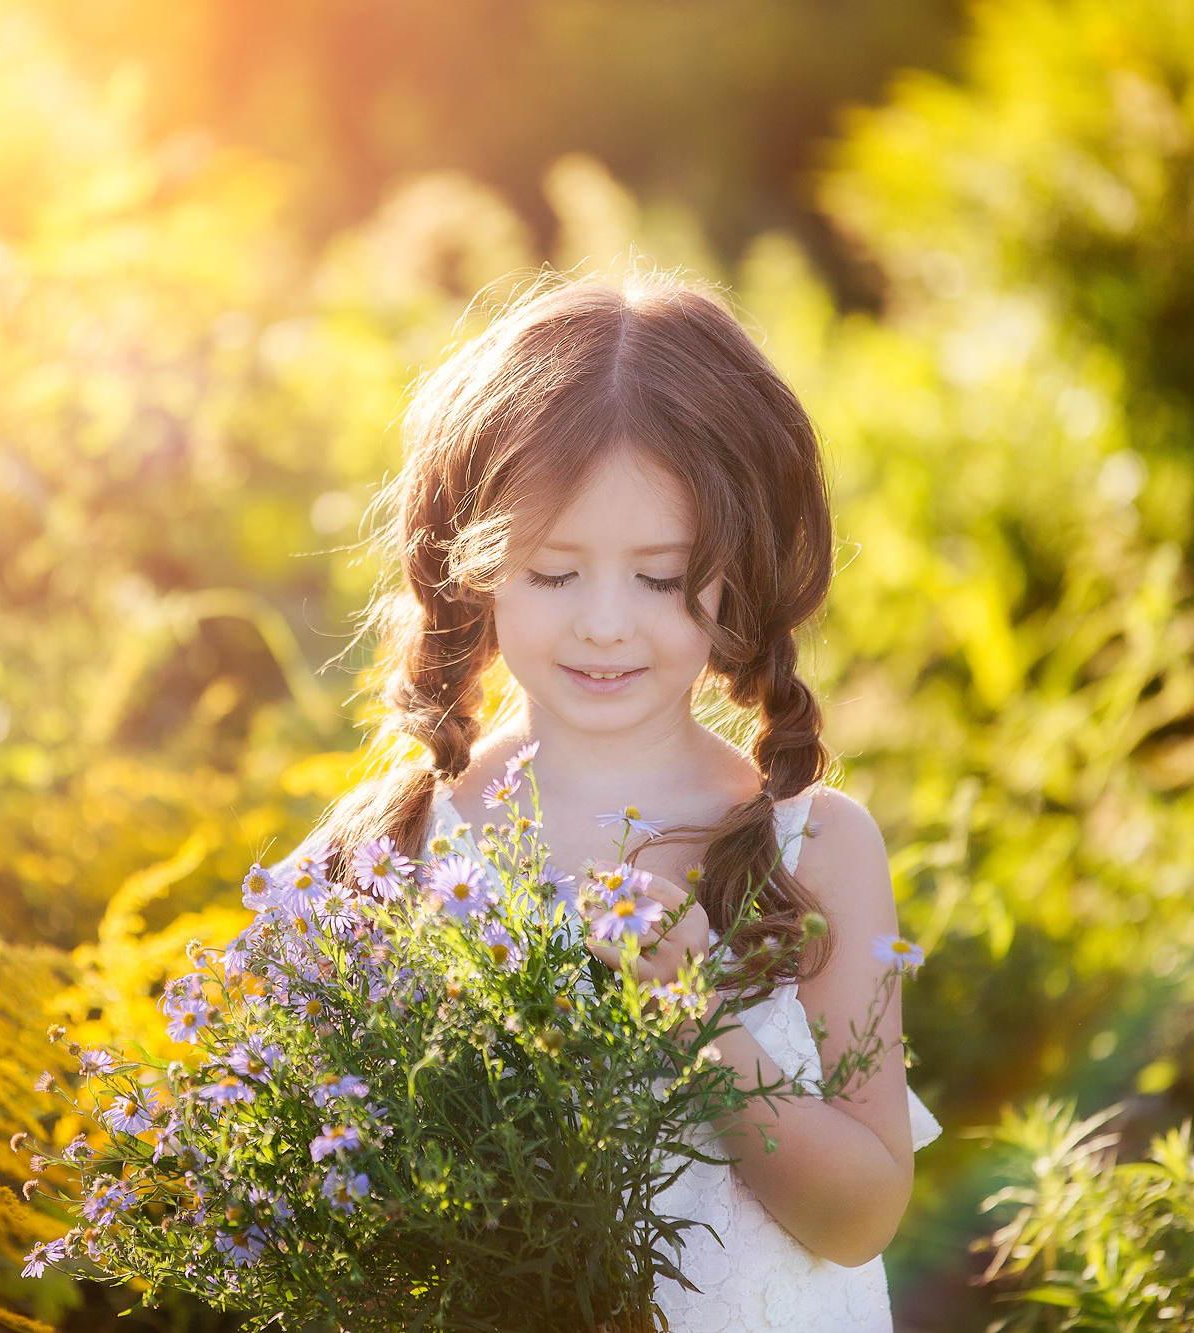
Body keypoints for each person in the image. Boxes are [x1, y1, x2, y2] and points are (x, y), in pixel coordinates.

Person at [306, 270, 941, 1330]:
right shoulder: (398, 846)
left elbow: (857, 1216)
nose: (605, 623)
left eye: (658, 578)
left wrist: (697, 1020)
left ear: (741, 571)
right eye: (553, 574)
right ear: (469, 567)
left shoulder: (814, 848)